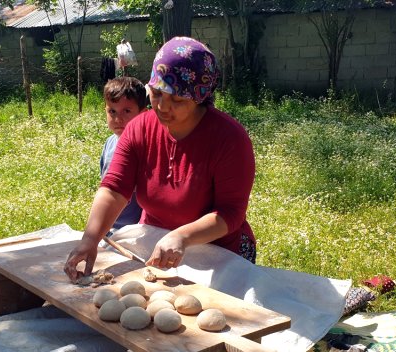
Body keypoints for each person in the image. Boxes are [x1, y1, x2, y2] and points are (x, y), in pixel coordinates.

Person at [65, 36, 256, 281]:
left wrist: (182, 236)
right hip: (154, 241)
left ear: (199, 97)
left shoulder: (229, 138)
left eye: (177, 99)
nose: (162, 107)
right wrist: (89, 239)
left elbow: (230, 213)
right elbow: (114, 189)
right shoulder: (140, 128)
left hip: (219, 254)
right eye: (156, 93)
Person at [99, 76, 146, 231]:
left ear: (143, 113)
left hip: (135, 230)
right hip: (109, 227)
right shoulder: (109, 143)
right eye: (112, 111)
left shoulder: (145, 147)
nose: (118, 119)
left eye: (126, 111)